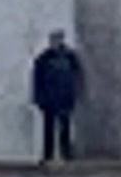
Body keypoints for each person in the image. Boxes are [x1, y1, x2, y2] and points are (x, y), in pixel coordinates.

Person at [30, 27, 84, 164]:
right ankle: (48, 155)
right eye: (53, 39)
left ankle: (66, 154)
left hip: (65, 98)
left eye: (57, 39)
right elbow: (37, 80)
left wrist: (77, 94)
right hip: (49, 100)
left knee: (64, 128)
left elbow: (78, 77)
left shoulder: (70, 57)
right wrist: (38, 98)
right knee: (49, 129)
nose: (55, 42)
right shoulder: (42, 59)